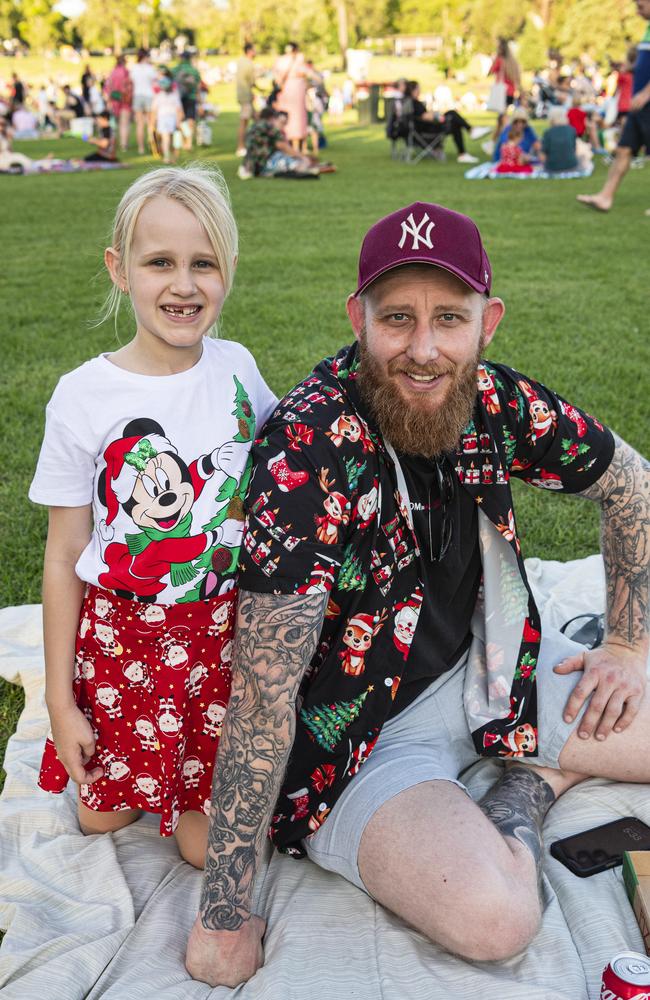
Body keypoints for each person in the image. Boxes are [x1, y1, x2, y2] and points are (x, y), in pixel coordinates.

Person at [185, 200, 649, 987]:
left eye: (450, 318)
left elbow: (630, 482)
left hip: (497, 672)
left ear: (488, 321)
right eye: (397, 318)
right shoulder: (309, 449)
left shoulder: (495, 402)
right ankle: (529, 788)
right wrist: (222, 916)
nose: (424, 349)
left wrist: (627, 646)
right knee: (496, 919)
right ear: (357, 318)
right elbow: (263, 694)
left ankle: (529, 772)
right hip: (363, 744)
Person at [29, 165, 277, 865]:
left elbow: (281, 460)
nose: (184, 284)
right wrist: (60, 700)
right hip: (125, 648)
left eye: (204, 264)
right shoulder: (83, 395)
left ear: (227, 271)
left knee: (206, 849)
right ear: (119, 269)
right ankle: (136, 771)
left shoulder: (237, 370)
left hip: (223, 645)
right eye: (159, 262)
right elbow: (62, 554)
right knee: (100, 818)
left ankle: (193, 784)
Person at [578, 0, 650, 212]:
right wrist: (627, 67)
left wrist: (646, 94)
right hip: (639, 105)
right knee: (623, 150)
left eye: (640, 5)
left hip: (645, 103)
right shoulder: (647, 29)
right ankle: (605, 197)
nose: (637, 9)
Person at [406, 81, 478, 163]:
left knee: (454, 122)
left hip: (423, 129)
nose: (420, 90)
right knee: (452, 114)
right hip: (428, 130)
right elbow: (425, 117)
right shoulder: (414, 103)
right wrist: (437, 116)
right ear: (413, 90)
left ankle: (464, 149)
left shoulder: (408, 103)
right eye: (418, 88)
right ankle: (470, 133)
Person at [238, 106, 320, 179]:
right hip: (263, 163)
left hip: (250, 165)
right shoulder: (268, 126)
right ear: (272, 117)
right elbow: (282, 146)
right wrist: (302, 157)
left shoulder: (254, 126)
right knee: (300, 163)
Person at [274, 41, 308, 152]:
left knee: (287, 117)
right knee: (297, 118)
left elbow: (277, 78)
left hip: (285, 91)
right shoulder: (298, 59)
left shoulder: (280, 60)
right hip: (295, 91)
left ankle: (288, 145)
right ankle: (298, 147)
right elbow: (304, 73)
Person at [489, 38, 521, 142]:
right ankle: (495, 139)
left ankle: (506, 137)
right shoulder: (513, 62)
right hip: (510, 92)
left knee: (503, 118)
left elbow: (491, 71)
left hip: (502, 92)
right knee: (501, 117)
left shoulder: (499, 60)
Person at [150, 72, 183, 163]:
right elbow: (179, 110)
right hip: (171, 119)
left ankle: (167, 156)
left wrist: (152, 123)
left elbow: (154, 111)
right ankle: (169, 156)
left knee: (166, 138)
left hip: (163, 119)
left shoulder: (158, 96)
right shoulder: (174, 96)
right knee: (169, 138)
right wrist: (178, 121)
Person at [130, 49, 158, 155]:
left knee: (139, 124)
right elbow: (155, 82)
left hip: (137, 95)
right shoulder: (150, 69)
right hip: (149, 96)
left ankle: (140, 148)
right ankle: (152, 145)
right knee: (150, 123)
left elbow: (132, 81)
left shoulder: (134, 68)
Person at [104, 55, 133, 153]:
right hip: (125, 100)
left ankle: (113, 143)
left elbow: (107, 88)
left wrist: (108, 101)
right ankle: (124, 144)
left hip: (114, 100)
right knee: (124, 124)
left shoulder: (112, 73)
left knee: (114, 124)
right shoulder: (126, 72)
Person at [173, 51, 201, 151]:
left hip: (178, 98)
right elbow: (198, 86)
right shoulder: (194, 70)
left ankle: (182, 140)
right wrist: (200, 101)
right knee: (191, 119)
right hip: (191, 97)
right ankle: (188, 143)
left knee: (180, 119)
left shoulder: (175, 70)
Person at [235, 42, 259, 157]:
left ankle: (256, 143)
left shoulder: (241, 61)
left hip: (243, 96)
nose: (255, 52)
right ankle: (240, 147)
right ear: (249, 51)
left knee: (258, 119)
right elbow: (251, 82)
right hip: (246, 97)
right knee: (244, 122)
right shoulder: (248, 64)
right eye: (254, 50)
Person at [540, 105, 578, 172]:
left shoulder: (548, 132)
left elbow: (543, 155)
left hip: (552, 168)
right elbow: (574, 150)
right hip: (572, 166)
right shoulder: (572, 130)